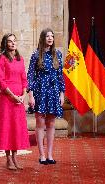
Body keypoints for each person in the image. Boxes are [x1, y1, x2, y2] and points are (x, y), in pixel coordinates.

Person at [27, 28, 65, 165]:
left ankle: (50, 154)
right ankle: (41, 155)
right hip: (40, 91)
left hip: (54, 91)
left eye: (52, 36)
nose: (50, 38)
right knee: (40, 122)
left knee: (51, 122)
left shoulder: (58, 55)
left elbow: (61, 76)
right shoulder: (36, 55)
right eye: (47, 36)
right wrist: (30, 95)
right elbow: (30, 75)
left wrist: (62, 94)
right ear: (43, 38)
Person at [0, 33, 30, 170]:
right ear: (5, 44)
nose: (13, 43)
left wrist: (23, 95)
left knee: (16, 128)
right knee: (7, 127)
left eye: (14, 41)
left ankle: (15, 156)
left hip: (19, 99)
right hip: (7, 98)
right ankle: (8, 158)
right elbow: (0, 81)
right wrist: (12, 95)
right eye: (10, 41)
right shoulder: (2, 59)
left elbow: (24, 79)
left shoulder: (20, 59)